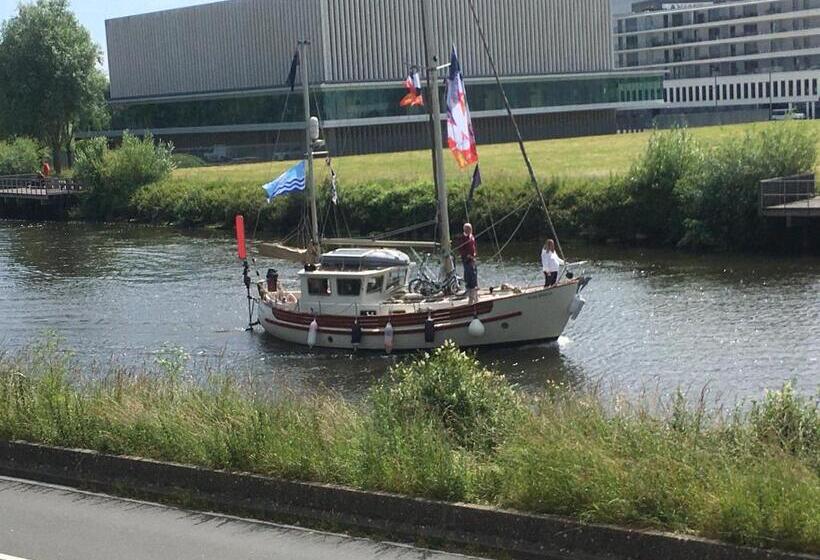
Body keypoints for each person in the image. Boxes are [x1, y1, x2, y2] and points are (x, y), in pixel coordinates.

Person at [457, 222, 478, 304]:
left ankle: (475, 296)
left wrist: (474, 254)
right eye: (468, 229)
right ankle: (470, 297)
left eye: (470, 228)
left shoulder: (472, 236)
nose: (470, 230)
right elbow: (461, 250)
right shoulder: (462, 238)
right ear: (465, 229)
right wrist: (468, 256)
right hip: (467, 260)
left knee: (474, 275)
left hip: (473, 259)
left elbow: (474, 247)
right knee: (469, 276)